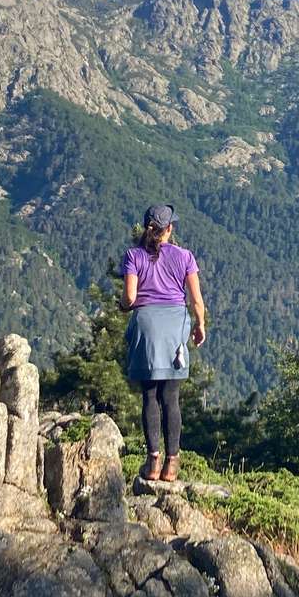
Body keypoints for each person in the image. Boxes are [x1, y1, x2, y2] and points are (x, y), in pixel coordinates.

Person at [122, 203, 207, 481]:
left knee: (149, 396)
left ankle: (153, 463)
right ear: (169, 229)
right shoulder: (185, 257)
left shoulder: (133, 256)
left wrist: (123, 306)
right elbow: (196, 300)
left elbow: (130, 297)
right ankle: (172, 465)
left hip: (147, 326)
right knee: (171, 398)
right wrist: (200, 325)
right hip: (174, 328)